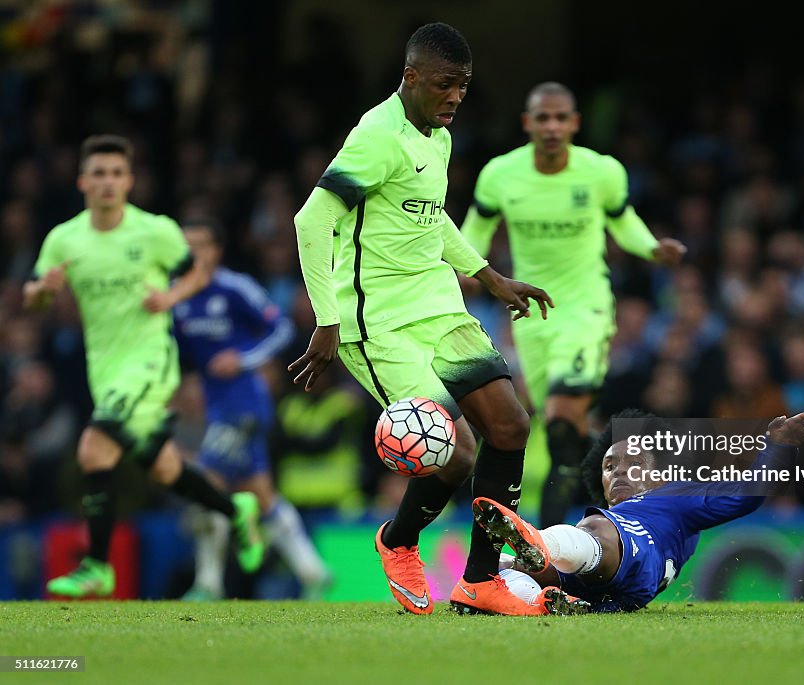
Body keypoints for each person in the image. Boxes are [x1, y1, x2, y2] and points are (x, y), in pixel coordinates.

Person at [289, 23, 554, 616]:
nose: (455, 97)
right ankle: (399, 539)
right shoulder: (376, 138)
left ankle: (481, 582)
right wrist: (327, 321)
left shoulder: (437, 133)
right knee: (453, 454)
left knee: (510, 427)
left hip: (436, 303)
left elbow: (430, 218)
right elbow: (312, 221)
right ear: (410, 78)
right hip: (375, 317)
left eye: (462, 86)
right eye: (443, 84)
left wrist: (490, 277)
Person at [23, 135, 265, 598]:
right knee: (164, 468)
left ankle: (97, 564)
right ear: (83, 182)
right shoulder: (64, 239)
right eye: (99, 173)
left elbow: (197, 271)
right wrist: (42, 293)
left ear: (129, 181)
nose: (108, 182)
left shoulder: (155, 231)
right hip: (105, 368)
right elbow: (36, 300)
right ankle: (235, 511)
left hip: (150, 361)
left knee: (95, 448)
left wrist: (169, 298)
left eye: (117, 173)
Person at [461, 82, 687, 528]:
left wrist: (651, 248)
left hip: (586, 308)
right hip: (530, 315)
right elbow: (475, 231)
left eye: (560, 118)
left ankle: (548, 541)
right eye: (542, 118)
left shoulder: (600, 172)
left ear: (575, 124)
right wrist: (461, 269)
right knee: (563, 432)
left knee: (563, 418)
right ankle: (612, 517)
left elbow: (623, 222)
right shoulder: (500, 175)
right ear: (527, 124)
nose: (551, 126)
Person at [473, 408, 804, 612]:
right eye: (610, 467)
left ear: (660, 474)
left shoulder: (676, 497)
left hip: (632, 553)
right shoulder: (609, 512)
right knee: (503, 571)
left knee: (593, 530)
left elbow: (747, 495)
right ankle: (543, 600)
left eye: (635, 462)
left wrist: (778, 447)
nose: (620, 471)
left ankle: (537, 545)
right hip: (614, 591)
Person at [173, 219, 331, 600]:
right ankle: (314, 573)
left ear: (216, 250)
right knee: (260, 493)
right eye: (187, 245)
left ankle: (207, 584)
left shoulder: (234, 288)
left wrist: (242, 360)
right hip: (215, 407)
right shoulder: (176, 298)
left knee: (207, 486)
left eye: (202, 245)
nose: (194, 253)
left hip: (245, 403)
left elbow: (280, 330)